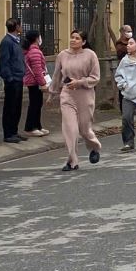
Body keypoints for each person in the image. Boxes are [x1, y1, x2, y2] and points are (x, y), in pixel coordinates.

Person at [49, 28, 102, 171]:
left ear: (83, 42)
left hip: (85, 95)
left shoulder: (90, 55)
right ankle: (72, 161)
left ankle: (94, 147)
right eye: (72, 37)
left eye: (77, 38)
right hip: (67, 95)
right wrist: (52, 93)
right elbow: (56, 76)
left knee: (84, 129)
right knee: (70, 129)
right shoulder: (62, 55)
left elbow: (95, 77)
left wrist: (79, 82)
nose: (73, 40)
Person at [0, 17, 26, 143]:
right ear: (16, 27)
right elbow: (4, 62)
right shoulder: (7, 42)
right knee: (10, 107)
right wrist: (9, 78)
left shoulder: (16, 41)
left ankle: (14, 131)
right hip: (12, 79)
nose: (21, 27)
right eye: (20, 25)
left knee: (17, 107)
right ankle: (8, 133)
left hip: (19, 78)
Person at [22, 30, 49, 137]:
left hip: (34, 81)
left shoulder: (32, 50)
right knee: (34, 104)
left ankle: (38, 126)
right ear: (37, 38)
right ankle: (30, 127)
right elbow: (37, 70)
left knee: (38, 104)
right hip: (34, 82)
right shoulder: (34, 52)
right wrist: (43, 83)